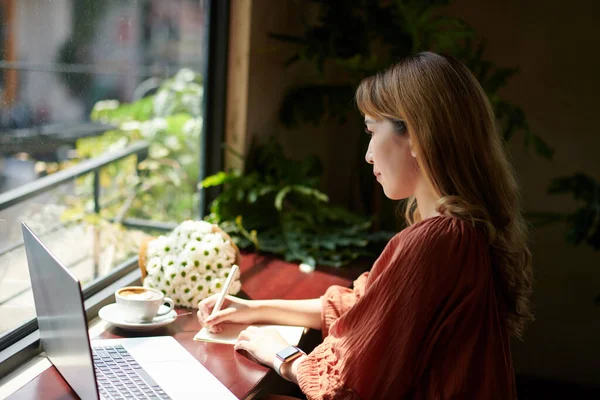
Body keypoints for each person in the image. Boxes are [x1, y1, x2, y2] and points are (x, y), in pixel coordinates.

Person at [197, 51, 533, 399]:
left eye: (372, 131)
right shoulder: (463, 231)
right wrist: (253, 310)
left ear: (417, 135)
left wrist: (280, 354)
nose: (369, 154)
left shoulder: (437, 240)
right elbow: (360, 304)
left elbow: (344, 387)